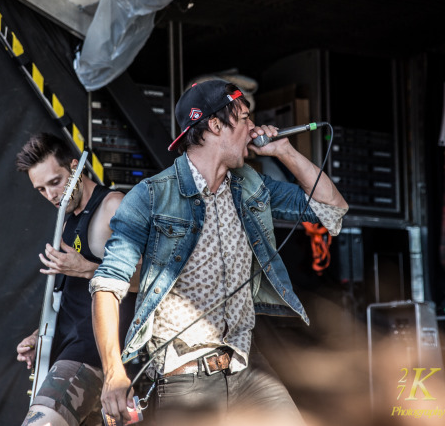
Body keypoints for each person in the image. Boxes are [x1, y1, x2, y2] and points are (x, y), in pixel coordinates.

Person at [89, 80, 349, 425]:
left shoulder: (250, 186)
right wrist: (113, 373)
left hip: (247, 367)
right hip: (184, 377)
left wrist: (285, 151)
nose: (253, 129)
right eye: (243, 118)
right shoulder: (150, 197)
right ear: (215, 125)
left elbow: (332, 210)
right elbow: (107, 284)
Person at [15, 133, 138, 426]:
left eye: (55, 182)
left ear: (76, 168)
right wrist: (40, 336)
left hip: (93, 355)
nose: (51, 195)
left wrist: (85, 267)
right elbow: (70, 301)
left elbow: (145, 281)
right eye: (41, 189)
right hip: (66, 350)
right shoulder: (67, 221)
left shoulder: (113, 206)